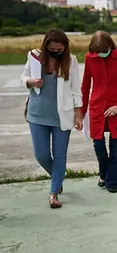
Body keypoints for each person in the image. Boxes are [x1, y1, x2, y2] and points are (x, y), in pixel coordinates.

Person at [20, 28, 84, 208]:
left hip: (61, 115)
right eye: (53, 50)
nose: (56, 53)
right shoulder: (34, 56)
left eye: (60, 50)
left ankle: (53, 192)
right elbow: (23, 77)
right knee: (41, 155)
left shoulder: (70, 61)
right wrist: (30, 82)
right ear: (46, 46)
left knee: (60, 155)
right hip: (37, 114)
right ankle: (57, 176)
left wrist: (78, 114)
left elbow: (75, 90)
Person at [81, 31, 117, 193]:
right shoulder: (90, 58)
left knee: (115, 147)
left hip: (116, 109)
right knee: (99, 145)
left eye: (103, 50)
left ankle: (112, 181)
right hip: (97, 107)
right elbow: (86, 84)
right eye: (97, 52)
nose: (101, 54)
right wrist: (81, 111)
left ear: (110, 46)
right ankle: (103, 173)